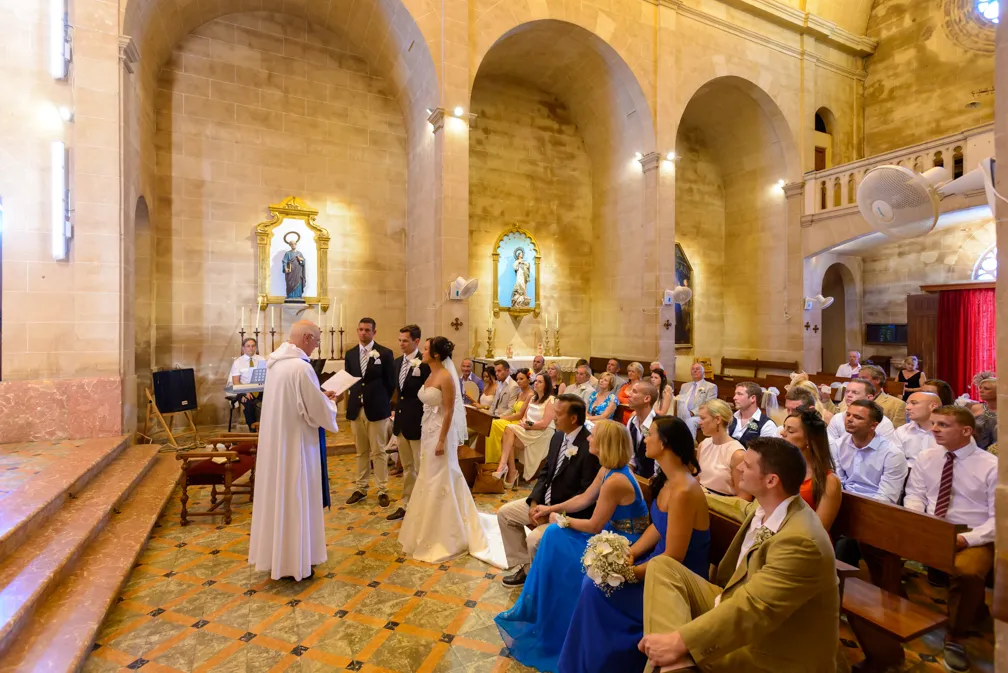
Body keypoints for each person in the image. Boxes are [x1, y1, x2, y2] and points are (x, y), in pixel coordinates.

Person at [636, 438, 838, 673]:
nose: (740, 467)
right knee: (662, 566)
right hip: (733, 600)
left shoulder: (802, 540)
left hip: (772, 649)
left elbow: (753, 608)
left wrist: (680, 641)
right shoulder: (768, 506)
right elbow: (737, 507)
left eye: (748, 465)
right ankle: (677, 664)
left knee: (669, 648)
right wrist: (693, 493)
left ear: (771, 480)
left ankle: (673, 661)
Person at [495, 420, 649, 672]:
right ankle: (547, 612)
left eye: (594, 436)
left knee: (555, 535)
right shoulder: (608, 469)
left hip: (623, 543)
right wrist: (552, 509)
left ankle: (557, 616)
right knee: (554, 535)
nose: (589, 439)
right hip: (608, 533)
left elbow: (594, 526)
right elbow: (584, 498)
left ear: (605, 444)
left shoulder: (617, 479)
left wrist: (562, 520)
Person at [559, 416, 711, 673]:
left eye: (650, 434)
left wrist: (629, 573)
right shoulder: (668, 480)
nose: (645, 440)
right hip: (658, 564)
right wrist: (631, 552)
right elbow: (658, 528)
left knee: (596, 589)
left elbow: (673, 556)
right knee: (593, 582)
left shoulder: (684, 490)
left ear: (664, 444)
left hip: (676, 579)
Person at [903, 406, 995, 673]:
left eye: (943, 425)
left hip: (973, 533)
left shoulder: (991, 465)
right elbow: (915, 494)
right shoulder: (927, 456)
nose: (934, 429)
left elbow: (998, 518)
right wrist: (916, 520)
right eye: (933, 423)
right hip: (932, 526)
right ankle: (891, 607)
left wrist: (967, 540)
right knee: (874, 542)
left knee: (967, 573)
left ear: (966, 431)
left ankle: (956, 637)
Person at [248, 321, 339, 581]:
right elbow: (315, 411)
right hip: (298, 446)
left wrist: (320, 395)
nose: (316, 347)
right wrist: (331, 403)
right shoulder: (301, 367)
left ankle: (279, 558)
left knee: (281, 499)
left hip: (279, 445)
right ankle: (297, 562)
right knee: (297, 498)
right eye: (317, 341)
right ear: (307, 337)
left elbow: (297, 399)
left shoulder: (275, 363)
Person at [399, 336, 493, 563]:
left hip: (440, 433)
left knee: (440, 478)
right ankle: (426, 529)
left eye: (426, 349)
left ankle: (447, 533)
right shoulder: (430, 373)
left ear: (437, 354)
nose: (422, 351)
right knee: (428, 477)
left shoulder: (446, 377)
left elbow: (450, 411)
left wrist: (442, 440)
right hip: (428, 431)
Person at [497, 395, 600, 587]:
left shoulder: (589, 447)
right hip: (545, 503)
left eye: (558, 414)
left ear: (573, 418)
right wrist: (535, 502)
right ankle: (527, 568)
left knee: (535, 540)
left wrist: (552, 512)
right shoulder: (558, 436)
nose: (553, 417)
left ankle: (541, 584)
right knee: (505, 514)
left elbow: (585, 495)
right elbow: (545, 473)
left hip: (566, 512)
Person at [833, 400, 909, 570]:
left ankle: (844, 586)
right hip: (844, 504)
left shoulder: (892, 454)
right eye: (848, 415)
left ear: (873, 425)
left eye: (858, 417)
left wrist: (855, 515)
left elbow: (886, 497)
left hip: (877, 512)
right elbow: (839, 482)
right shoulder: (839, 445)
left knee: (846, 543)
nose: (849, 419)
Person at [344, 318, 396, 507]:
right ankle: (361, 488)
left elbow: (391, 383)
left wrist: (381, 400)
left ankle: (382, 489)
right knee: (361, 452)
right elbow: (349, 381)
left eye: (367, 330)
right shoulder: (350, 354)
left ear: (374, 332)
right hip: (356, 410)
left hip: (377, 409)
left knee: (379, 451)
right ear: (357, 331)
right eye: (360, 329)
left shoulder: (385, 353)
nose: (363, 333)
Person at [386, 325, 429, 521]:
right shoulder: (396, 363)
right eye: (400, 340)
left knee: (421, 468)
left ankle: (423, 507)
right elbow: (398, 393)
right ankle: (406, 504)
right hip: (402, 422)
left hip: (418, 422)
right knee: (407, 468)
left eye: (405, 340)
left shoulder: (425, 363)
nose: (401, 344)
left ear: (416, 341)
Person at [780, 410, 842, 530]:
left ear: (808, 439)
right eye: (784, 428)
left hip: (806, 542)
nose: (782, 433)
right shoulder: (780, 468)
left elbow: (818, 530)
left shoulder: (829, 481)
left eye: (790, 430)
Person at [494, 374, 557, 489]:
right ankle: (509, 469)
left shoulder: (551, 400)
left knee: (508, 433)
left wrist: (528, 425)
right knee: (508, 434)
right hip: (528, 429)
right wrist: (523, 423)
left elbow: (545, 423)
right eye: (536, 381)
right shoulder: (533, 398)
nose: (536, 383)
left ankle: (507, 469)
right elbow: (525, 416)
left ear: (546, 385)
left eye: (540, 382)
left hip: (542, 433)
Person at [696, 399, 746, 497]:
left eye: (703, 418)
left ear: (718, 419)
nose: (699, 423)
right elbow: (697, 479)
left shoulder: (737, 454)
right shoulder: (704, 444)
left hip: (722, 506)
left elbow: (743, 497)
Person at [826, 379, 896, 447]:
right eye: (847, 391)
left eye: (855, 392)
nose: (849, 395)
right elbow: (831, 446)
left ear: (869, 397)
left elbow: (883, 449)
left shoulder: (884, 423)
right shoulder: (837, 418)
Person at [485, 369, 533, 464]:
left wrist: (502, 418)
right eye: (517, 379)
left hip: (520, 421)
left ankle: (497, 460)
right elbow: (513, 410)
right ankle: (492, 459)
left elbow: (520, 414)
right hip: (513, 418)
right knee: (492, 424)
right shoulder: (520, 393)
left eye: (521, 379)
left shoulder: (530, 395)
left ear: (528, 380)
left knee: (495, 424)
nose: (518, 381)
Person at [895, 391, 941, 467]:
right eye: (907, 403)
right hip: (908, 473)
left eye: (914, 403)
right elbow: (895, 461)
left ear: (933, 406)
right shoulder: (902, 431)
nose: (907, 407)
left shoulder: (949, 432)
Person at [229, 337, 265, 429]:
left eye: (253, 346)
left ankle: (267, 429)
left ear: (255, 347)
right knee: (248, 404)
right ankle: (252, 429)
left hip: (260, 389)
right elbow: (236, 382)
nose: (251, 348)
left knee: (273, 400)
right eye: (248, 346)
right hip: (243, 390)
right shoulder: (238, 362)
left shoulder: (262, 360)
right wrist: (245, 392)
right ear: (243, 348)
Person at [728, 382, 777, 446]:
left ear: (753, 398)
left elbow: (765, 453)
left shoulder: (767, 425)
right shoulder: (729, 418)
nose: (734, 397)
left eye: (739, 394)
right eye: (735, 394)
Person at [627, 381, 659, 478]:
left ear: (647, 398)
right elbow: (631, 456)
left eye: (634, 392)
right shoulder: (632, 421)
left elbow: (659, 467)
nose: (629, 394)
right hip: (637, 477)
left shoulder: (659, 425)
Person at [676, 363, 718, 435]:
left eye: (697, 369)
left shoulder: (711, 387)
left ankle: (689, 445)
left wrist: (692, 412)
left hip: (699, 416)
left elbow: (709, 404)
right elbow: (679, 401)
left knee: (690, 421)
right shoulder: (684, 386)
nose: (694, 371)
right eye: (693, 369)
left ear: (703, 372)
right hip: (682, 415)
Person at [971, 375, 997, 450]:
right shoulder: (975, 408)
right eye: (980, 388)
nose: (981, 391)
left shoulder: (1004, 410)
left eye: (986, 389)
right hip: (976, 449)